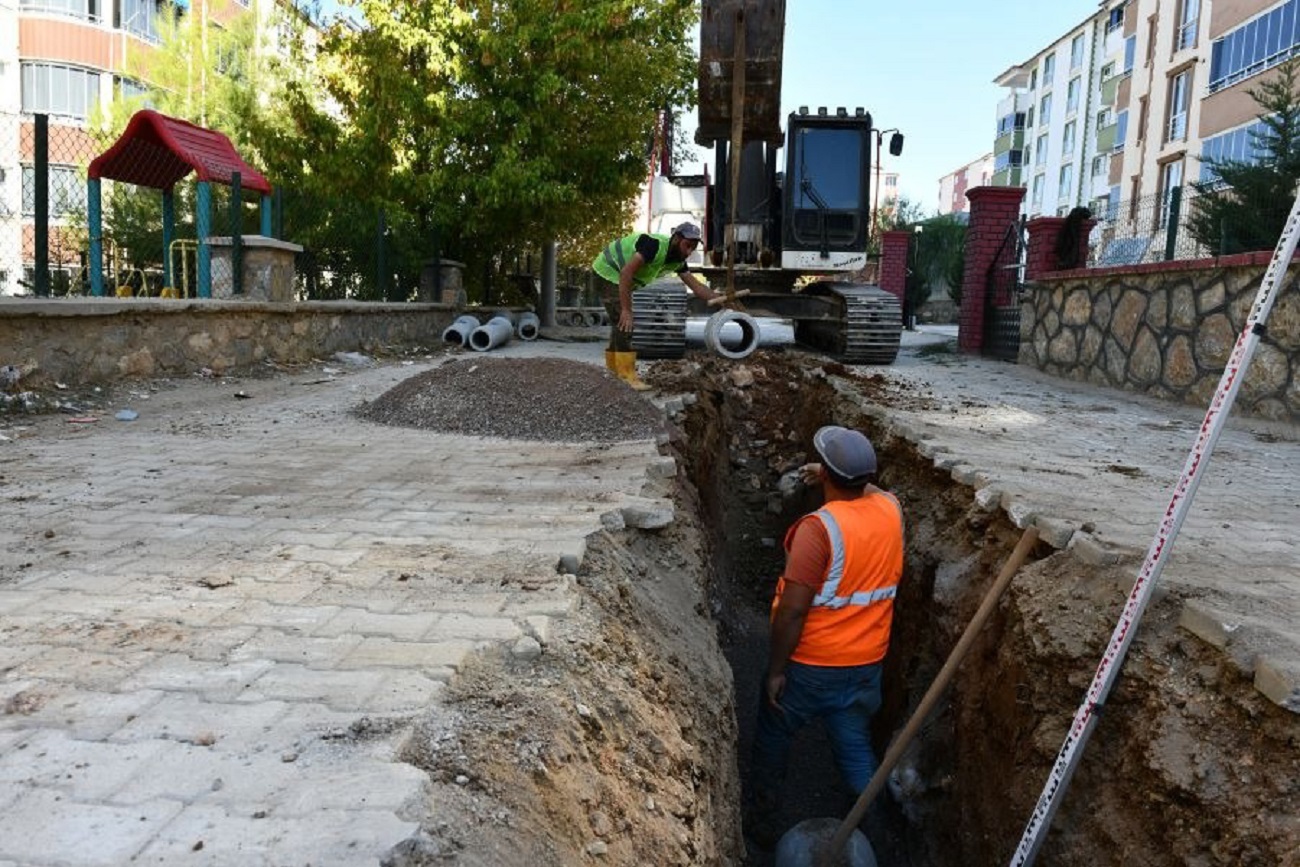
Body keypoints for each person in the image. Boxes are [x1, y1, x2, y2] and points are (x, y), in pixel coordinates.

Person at [747, 425, 904, 844]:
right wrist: (833, 473)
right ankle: (872, 830)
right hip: (867, 664)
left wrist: (776, 670)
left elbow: (793, 611)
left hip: (811, 667)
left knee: (775, 733)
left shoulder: (819, 530)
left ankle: (760, 827)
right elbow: (871, 492)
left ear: (827, 477)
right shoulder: (890, 509)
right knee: (854, 746)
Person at [590, 222, 719, 390]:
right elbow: (626, 273)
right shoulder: (653, 246)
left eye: (693, 248)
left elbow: (697, 287)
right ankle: (624, 377)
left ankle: (614, 376)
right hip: (607, 271)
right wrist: (626, 310)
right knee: (625, 322)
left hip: (617, 276)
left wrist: (721, 298)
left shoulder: (677, 261)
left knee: (620, 324)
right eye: (687, 246)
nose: (688, 252)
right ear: (676, 239)